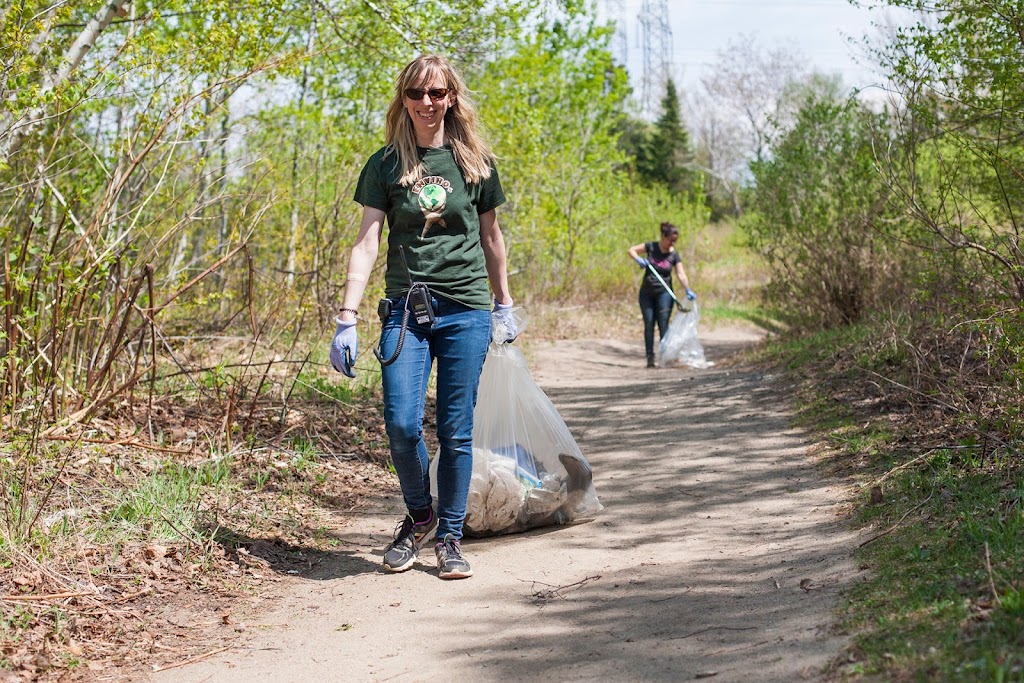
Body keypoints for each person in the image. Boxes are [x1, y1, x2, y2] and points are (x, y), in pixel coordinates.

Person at [328, 54, 517, 580]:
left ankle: (451, 539)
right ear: (404, 100)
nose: (427, 103)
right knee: (402, 422)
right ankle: (421, 515)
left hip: (467, 311)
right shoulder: (385, 165)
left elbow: (492, 238)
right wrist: (348, 316)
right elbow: (367, 242)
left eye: (437, 94)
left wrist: (504, 304)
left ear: (451, 98)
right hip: (407, 312)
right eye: (417, 94)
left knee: (455, 431)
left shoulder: (475, 163)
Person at [627, 222, 696, 368]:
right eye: (670, 240)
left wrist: (687, 289)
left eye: (674, 241)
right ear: (663, 237)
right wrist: (638, 259)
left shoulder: (673, 254)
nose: (672, 243)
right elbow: (631, 250)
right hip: (646, 292)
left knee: (663, 324)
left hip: (664, 294)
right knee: (649, 324)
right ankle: (650, 358)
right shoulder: (651, 247)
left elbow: (680, 273)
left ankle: (665, 357)